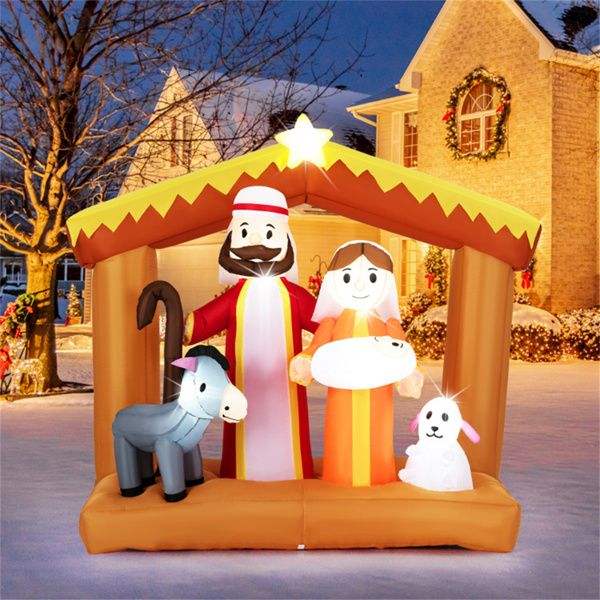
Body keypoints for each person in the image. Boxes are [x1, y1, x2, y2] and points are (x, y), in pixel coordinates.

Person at [183, 186, 317, 481]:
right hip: (243, 383)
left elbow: (322, 321)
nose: (256, 245)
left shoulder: (292, 296)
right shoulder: (238, 295)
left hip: (286, 384)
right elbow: (207, 319)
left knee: (287, 428)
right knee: (243, 422)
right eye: (245, 233)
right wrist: (190, 326)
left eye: (268, 234)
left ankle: (291, 470)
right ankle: (241, 472)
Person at [290, 240, 423, 486]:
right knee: (342, 434)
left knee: (377, 435)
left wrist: (408, 374)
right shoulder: (332, 323)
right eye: (348, 277)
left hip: (378, 397)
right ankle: (339, 474)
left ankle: (378, 474)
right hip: (341, 397)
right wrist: (306, 361)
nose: (360, 285)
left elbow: (402, 354)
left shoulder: (389, 325)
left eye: (372, 278)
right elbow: (315, 347)